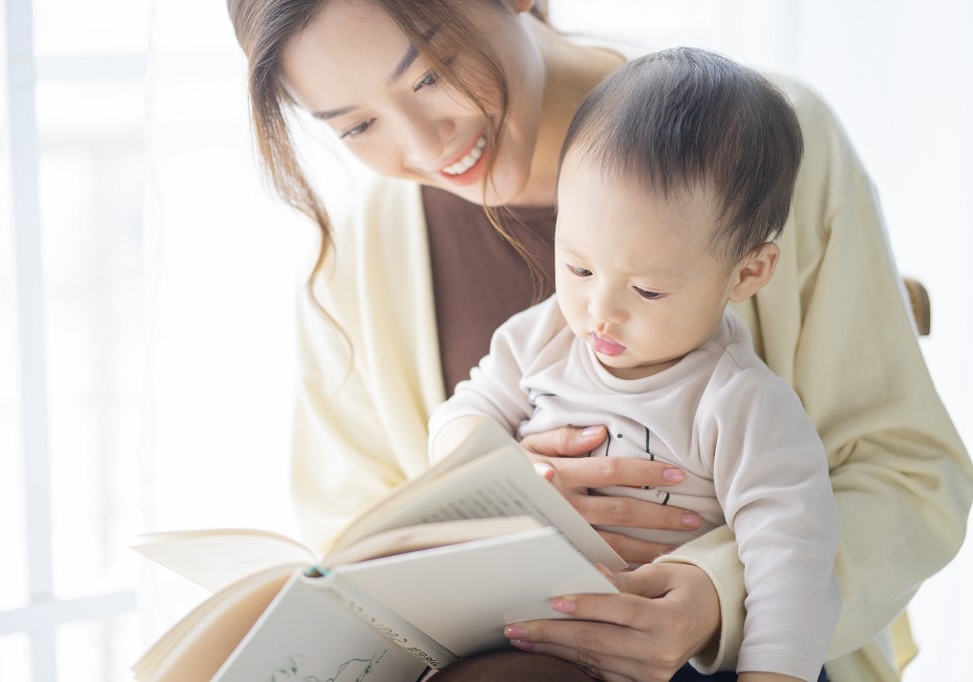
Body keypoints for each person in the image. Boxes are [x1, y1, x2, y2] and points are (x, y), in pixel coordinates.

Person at [224, 1, 973, 680]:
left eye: (431, 74)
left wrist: (719, 596)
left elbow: (909, 477)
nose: (424, 144)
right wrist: (489, 487)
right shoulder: (354, 261)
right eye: (356, 126)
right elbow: (356, 548)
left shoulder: (763, 151)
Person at [428, 46, 840, 682]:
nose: (600, 311)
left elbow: (791, 557)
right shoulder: (544, 336)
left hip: (678, 655)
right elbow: (465, 411)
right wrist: (506, 472)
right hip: (532, 628)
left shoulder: (737, 401)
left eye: (647, 290)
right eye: (579, 267)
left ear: (747, 272)